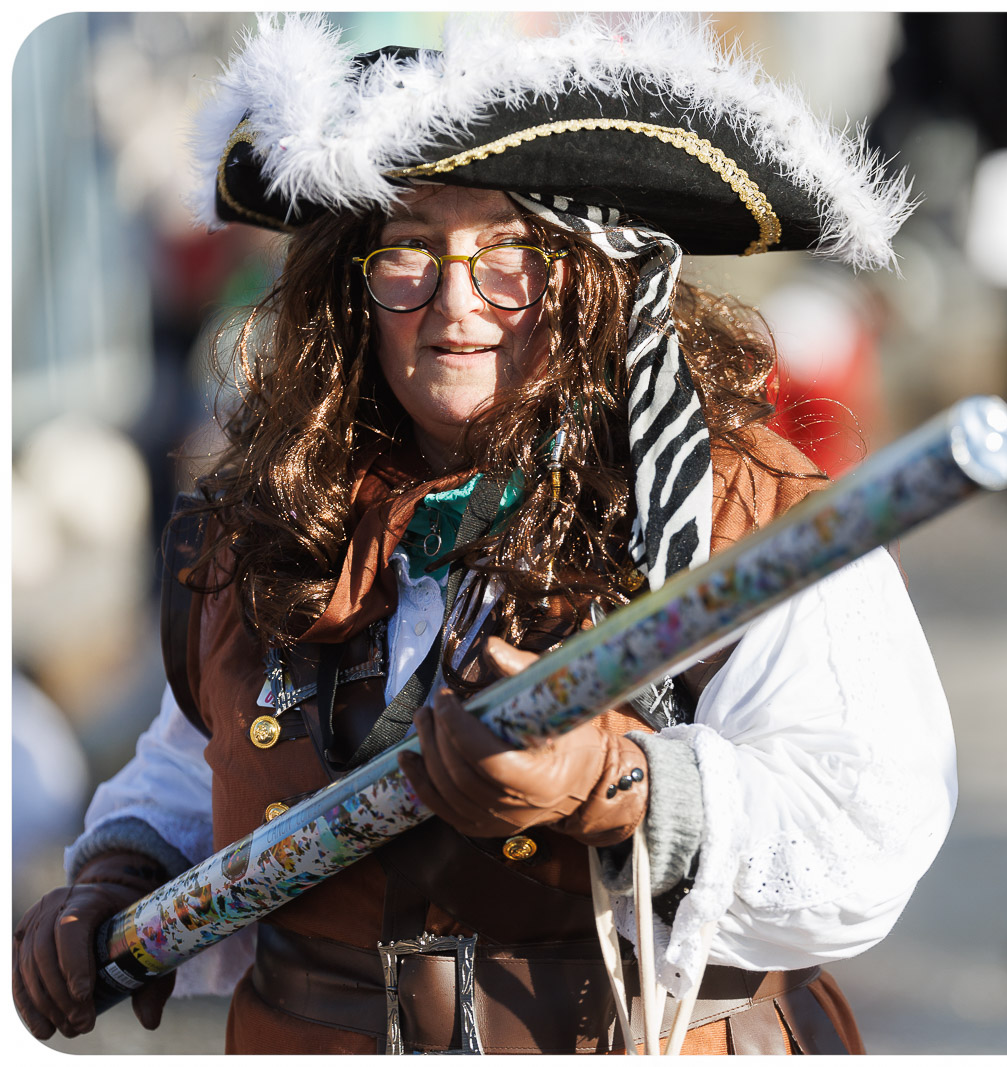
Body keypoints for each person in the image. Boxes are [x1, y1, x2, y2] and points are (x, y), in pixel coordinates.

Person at [13, 13, 955, 1054]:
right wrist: (119, 874)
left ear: (599, 276)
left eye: (511, 252)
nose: (455, 302)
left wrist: (619, 781)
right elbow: (200, 759)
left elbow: (866, 832)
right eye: (406, 252)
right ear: (351, 286)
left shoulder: (753, 512)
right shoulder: (274, 518)